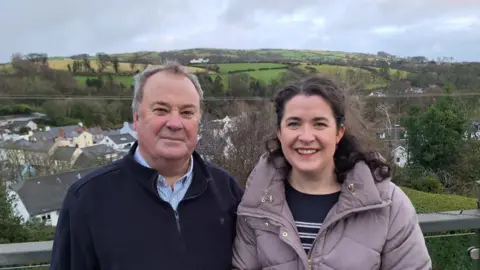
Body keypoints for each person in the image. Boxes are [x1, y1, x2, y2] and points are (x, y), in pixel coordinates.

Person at [50, 60, 243, 270]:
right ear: (136, 118)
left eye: (187, 112)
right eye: (161, 110)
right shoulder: (87, 200)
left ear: (198, 121)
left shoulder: (227, 191)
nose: (175, 123)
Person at [232, 76, 432, 270]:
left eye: (320, 124)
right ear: (279, 132)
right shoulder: (255, 204)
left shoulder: (387, 204)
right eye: (294, 124)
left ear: (339, 132)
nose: (307, 137)